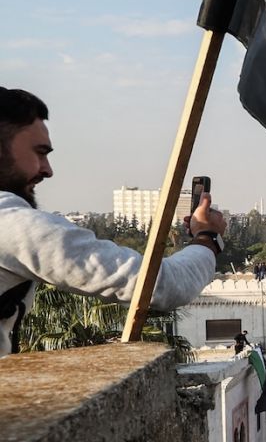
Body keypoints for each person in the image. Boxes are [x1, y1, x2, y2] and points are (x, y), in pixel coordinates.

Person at [0, 87, 227, 354]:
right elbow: (157, 285)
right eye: (39, 152)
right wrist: (208, 239)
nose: (47, 170)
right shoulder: (9, 223)